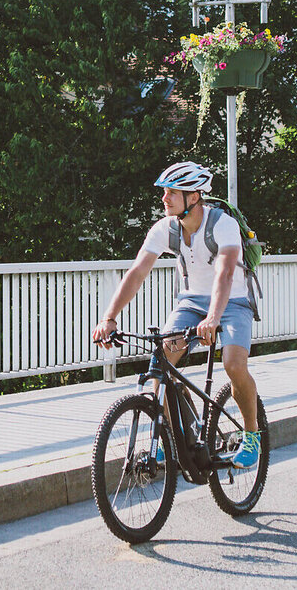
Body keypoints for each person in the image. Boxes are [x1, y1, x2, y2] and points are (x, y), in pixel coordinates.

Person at [90, 161, 262, 468]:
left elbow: (224, 274)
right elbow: (137, 272)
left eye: (171, 192)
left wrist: (213, 318)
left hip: (233, 301)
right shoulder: (165, 228)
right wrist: (109, 317)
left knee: (234, 364)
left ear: (193, 198)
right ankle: (172, 437)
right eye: (165, 192)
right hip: (192, 302)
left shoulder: (223, 224)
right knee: (161, 364)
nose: (164, 198)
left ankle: (252, 435)